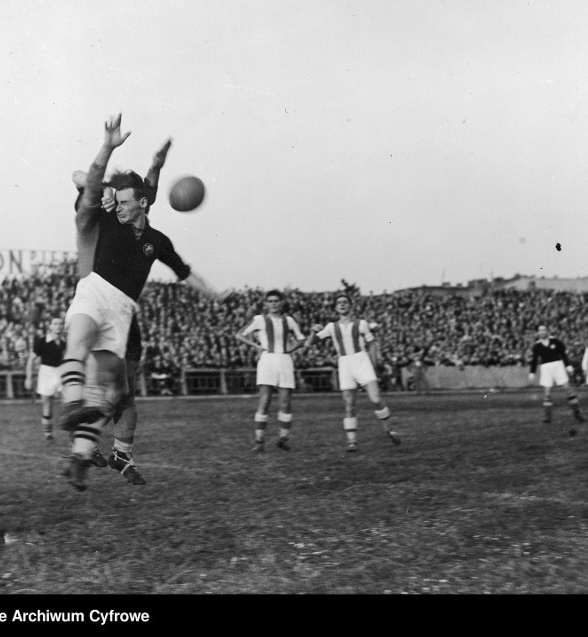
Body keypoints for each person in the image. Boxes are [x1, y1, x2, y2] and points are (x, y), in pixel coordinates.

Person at [59, 113, 227, 491]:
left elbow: (183, 270)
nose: (116, 205)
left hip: (122, 311)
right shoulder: (107, 218)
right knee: (81, 346)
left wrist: (214, 294)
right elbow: (84, 181)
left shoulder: (156, 238)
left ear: (142, 203)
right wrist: (107, 149)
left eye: (124, 200)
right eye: (113, 200)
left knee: (113, 392)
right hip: (94, 290)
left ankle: (83, 455)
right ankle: (72, 409)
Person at [69, 137, 173, 486]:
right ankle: (84, 445)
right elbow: (79, 176)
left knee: (126, 393)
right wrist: (95, 183)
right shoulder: (100, 216)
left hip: (125, 315)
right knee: (109, 390)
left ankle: (119, 453)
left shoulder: (132, 216)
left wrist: (156, 164)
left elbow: (148, 193)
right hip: (98, 305)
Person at [306, 293, 401, 452]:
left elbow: (372, 344)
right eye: (339, 303)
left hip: (361, 360)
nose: (342, 305)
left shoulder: (361, 324)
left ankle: (389, 430)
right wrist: (311, 330)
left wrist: (373, 364)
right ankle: (352, 442)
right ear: (336, 308)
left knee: (376, 399)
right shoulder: (331, 327)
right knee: (349, 404)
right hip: (344, 363)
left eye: (345, 302)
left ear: (350, 306)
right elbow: (309, 344)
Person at [234, 290, 307, 452]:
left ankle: (283, 438)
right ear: (266, 304)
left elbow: (302, 339)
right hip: (267, 359)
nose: (273, 303)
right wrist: (257, 346)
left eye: (276, 301)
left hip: (285, 359)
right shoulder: (259, 319)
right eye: (270, 301)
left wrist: (291, 349)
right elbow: (239, 334)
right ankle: (259, 441)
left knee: (285, 401)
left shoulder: (289, 320)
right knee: (265, 400)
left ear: (281, 303)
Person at [528, 325, 585, 427]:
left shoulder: (555, 341)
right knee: (547, 393)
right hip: (545, 368)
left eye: (544, 330)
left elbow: (563, 354)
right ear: (538, 333)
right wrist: (532, 373)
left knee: (568, 389)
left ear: (547, 331)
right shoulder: (537, 346)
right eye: (540, 330)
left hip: (558, 366)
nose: (542, 332)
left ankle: (577, 414)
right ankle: (547, 417)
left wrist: (568, 366)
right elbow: (534, 360)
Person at [24, 316, 66, 442]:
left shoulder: (65, 343)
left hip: (61, 372)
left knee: (68, 401)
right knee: (47, 403)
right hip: (46, 372)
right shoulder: (43, 341)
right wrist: (28, 378)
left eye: (60, 323)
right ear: (50, 326)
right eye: (55, 323)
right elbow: (31, 359)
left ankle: (73, 432)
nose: (58, 326)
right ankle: (48, 434)